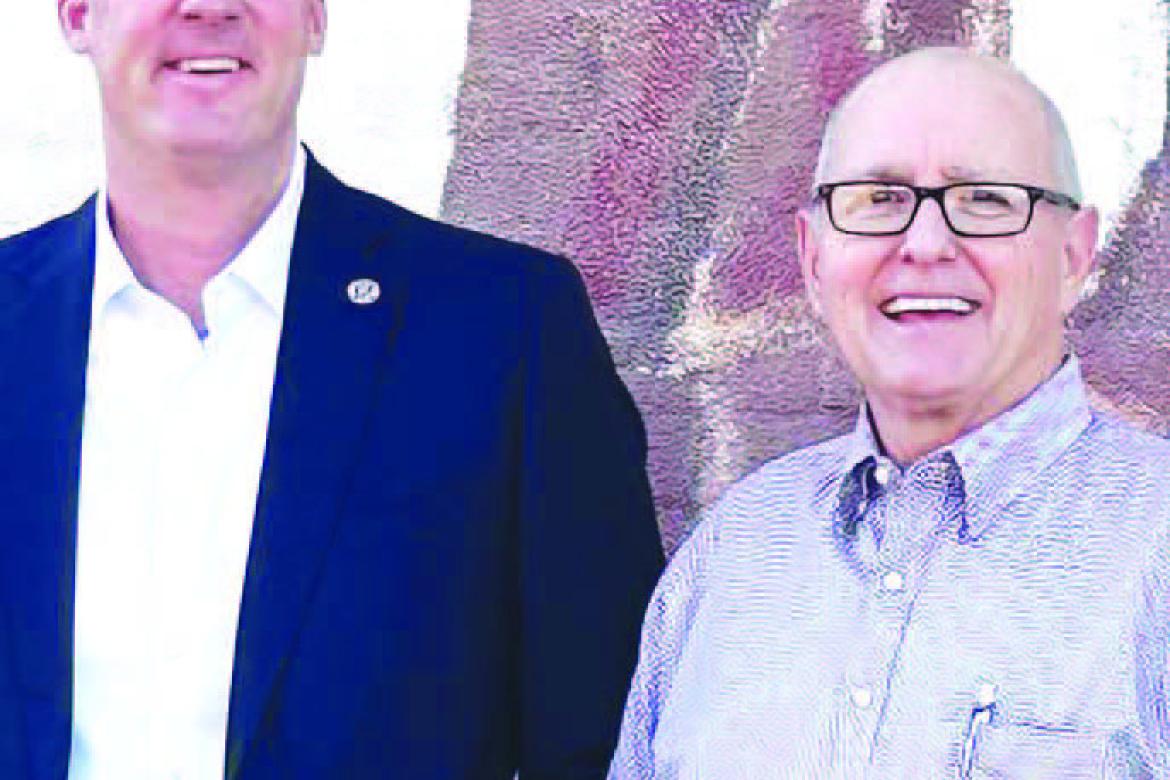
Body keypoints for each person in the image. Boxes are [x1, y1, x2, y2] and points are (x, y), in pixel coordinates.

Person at [0, 1, 665, 777]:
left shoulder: (505, 331)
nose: (211, 7)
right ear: (79, 14)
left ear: (315, 17)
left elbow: (604, 738)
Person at [608, 47, 1170, 777]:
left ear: (1072, 255)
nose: (926, 244)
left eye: (986, 199)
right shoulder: (732, 555)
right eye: (877, 199)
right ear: (814, 259)